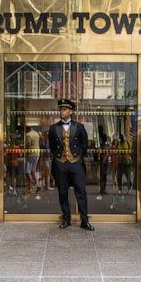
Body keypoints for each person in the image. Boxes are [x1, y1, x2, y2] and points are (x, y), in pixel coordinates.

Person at [49, 99, 94, 231]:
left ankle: (84, 221)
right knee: (62, 193)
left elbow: (85, 144)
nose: (61, 111)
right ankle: (66, 220)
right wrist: (58, 156)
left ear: (70, 111)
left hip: (76, 164)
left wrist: (78, 155)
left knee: (81, 192)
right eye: (60, 109)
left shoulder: (79, 127)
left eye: (64, 109)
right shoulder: (53, 128)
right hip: (60, 164)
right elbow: (51, 146)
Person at [24, 125, 40, 194]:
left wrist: (24, 148)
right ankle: (37, 185)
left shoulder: (28, 135)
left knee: (28, 172)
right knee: (33, 170)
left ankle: (31, 187)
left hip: (30, 154)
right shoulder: (36, 133)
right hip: (37, 153)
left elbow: (28, 144)